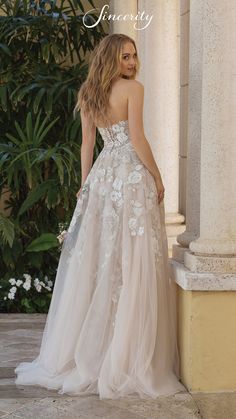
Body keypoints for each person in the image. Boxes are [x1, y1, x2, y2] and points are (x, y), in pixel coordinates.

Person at [15, 33, 186, 399]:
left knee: (105, 261)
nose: (132, 62)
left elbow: (88, 146)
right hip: (130, 179)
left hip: (104, 181)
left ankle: (102, 348)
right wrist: (157, 176)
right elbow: (137, 138)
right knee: (131, 259)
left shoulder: (88, 92)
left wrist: (84, 186)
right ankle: (127, 354)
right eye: (126, 56)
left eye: (134, 56)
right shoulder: (133, 90)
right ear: (112, 58)